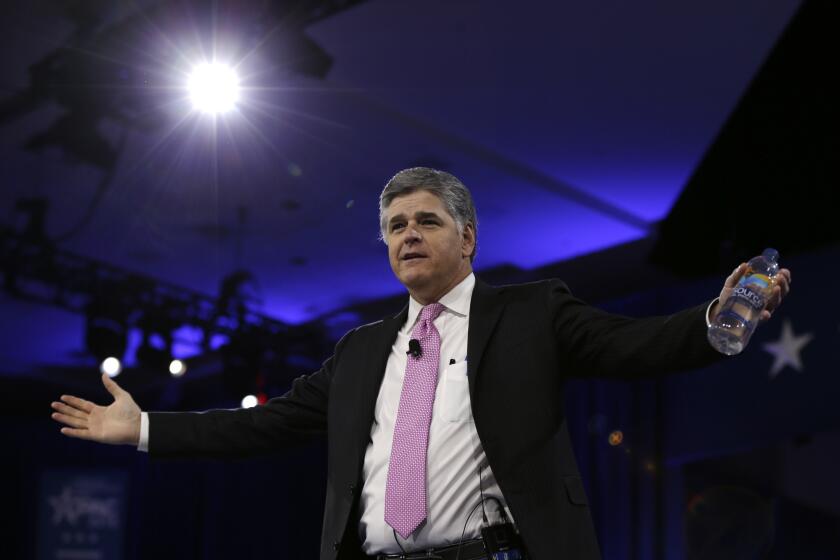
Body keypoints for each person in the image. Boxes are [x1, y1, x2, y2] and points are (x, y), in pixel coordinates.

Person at [51, 167, 791, 560]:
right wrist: (144, 429)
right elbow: (264, 428)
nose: (409, 234)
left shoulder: (531, 313)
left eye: (426, 220)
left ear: (467, 239)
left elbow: (631, 346)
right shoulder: (361, 351)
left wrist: (713, 323)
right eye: (395, 226)